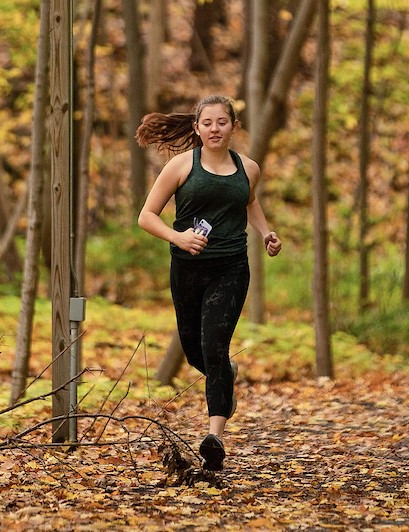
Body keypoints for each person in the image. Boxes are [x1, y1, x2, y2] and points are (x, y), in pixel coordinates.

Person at [136, 95, 282, 471]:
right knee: (193, 347)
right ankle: (227, 377)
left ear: (234, 127)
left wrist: (266, 233)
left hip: (231, 267)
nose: (215, 129)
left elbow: (249, 203)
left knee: (215, 346)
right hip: (187, 267)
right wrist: (178, 237)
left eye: (222, 122)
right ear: (196, 128)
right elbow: (146, 216)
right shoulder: (180, 166)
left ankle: (214, 437)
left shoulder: (248, 168)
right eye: (208, 122)